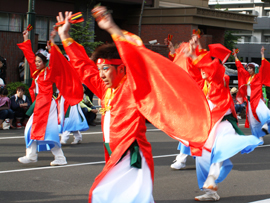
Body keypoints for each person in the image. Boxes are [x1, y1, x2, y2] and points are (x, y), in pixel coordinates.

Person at [56, 6, 213, 202]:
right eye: (100, 70)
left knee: (101, 194)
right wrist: (65, 36)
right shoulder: (105, 88)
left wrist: (112, 27)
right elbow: (83, 67)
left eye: (106, 69)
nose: (101, 74)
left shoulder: (133, 87)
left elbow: (134, 55)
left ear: (121, 68)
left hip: (131, 154)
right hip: (113, 153)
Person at [180, 35, 263, 201]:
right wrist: (193, 52)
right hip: (208, 126)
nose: (202, 70)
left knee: (218, 152)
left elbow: (212, 70)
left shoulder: (220, 80)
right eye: (201, 67)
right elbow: (194, 72)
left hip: (223, 124)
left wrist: (196, 55)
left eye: (205, 67)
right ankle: (211, 192)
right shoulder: (203, 84)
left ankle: (212, 180)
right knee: (202, 157)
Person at [17, 29, 83, 166]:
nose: (36, 63)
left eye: (39, 61)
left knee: (44, 131)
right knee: (34, 129)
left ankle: (52, 157)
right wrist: (26, 38)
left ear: (45, 62)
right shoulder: (37, 72)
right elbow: (29, 56)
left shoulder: (49, 72)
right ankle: (37, 155)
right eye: (35, 61)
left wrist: (52, 46)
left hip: (48, 104)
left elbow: (55, 62)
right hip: (41, 103)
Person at [234, 47, 270, 141]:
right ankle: (258, 137)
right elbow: (240, 69)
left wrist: (262, 55)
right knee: (253, 121)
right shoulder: (247, 77)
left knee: (263, 113)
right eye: (248, 68)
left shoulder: (258, 77)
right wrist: (235, 57)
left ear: (255, 69)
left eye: (251, 68)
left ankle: (267, 126)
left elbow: (263, 68)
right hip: (250, 101)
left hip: (257, 100)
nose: (249, 70)